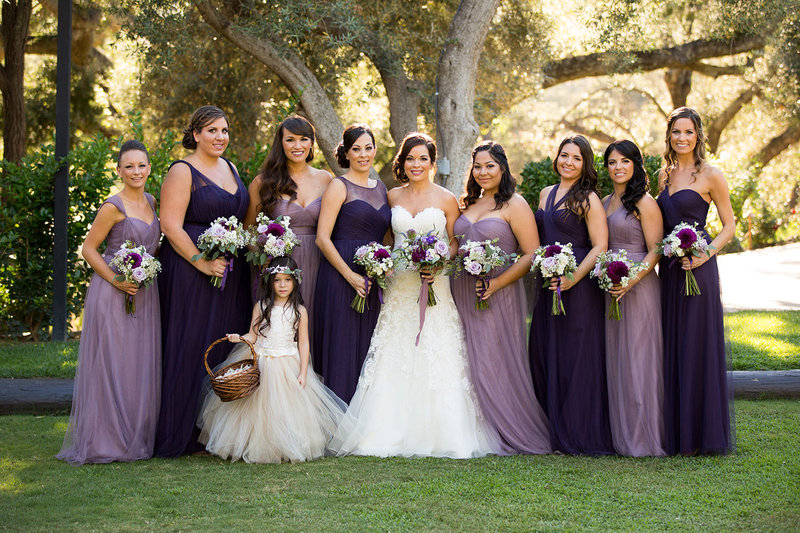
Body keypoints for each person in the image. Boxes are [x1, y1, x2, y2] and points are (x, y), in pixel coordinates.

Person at [329, 132, 498, 458]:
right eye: (410, 158)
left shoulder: (447, 198)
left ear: (433, 164)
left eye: (423, 158)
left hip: (436, 284)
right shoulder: (391, 197)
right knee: (397, 351)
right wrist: (382, 264)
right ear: (402, 163)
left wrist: (439, 261)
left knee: (436, 350)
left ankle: (442, 433)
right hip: (401, 287)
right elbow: (390, 240)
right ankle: (386, 430)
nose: (416, 164)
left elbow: (455, 241)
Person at [154, 105, 252, 457]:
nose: (220, 137)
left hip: (229, 272)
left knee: (222, 346)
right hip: (191, 272)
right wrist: (201, 261)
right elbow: (170, 225)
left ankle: (212, 433)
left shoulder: (231, 167)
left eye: (224, 131)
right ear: (195, 134)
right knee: (190, 346)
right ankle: (178, 433)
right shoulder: (183, 171)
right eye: (212, 131)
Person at [57, 140, 161, 465]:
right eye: (128, 166)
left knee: (138, 364)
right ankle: (107, 439)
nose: (136, 172)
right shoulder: (112, 207)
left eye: (141, 165)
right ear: (119, 170)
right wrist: (116, 279)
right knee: (114, 363)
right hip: (113, 292)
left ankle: (136, 434)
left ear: (149, 167)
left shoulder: (152, 201)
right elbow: (89, 249)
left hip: (144, 293)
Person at [450, 141, 551, 456]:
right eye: (477, 166)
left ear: (503, 168)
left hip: (499, 292)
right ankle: (474, 428)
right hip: (463, 290)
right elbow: (455, 246)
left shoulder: (514, 204)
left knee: (495, 359)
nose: (483, 172)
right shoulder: (466, 205)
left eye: (489, 166)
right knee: (466, 358)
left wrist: (496, 283)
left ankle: (507, 426)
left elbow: (531, 253)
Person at [197, 257, 346, 463]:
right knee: (257, 410)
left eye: (287, 280)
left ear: (295, 282)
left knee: (286, 409)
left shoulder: (299, 311)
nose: (282, 285)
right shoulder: (261, 306)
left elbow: (303, 343)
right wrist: (239, 338)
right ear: (270, 282)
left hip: (287, 362)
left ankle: (285, 446)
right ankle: (255, 446)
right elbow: (253, 335)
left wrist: (303, 372)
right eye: (277, 280)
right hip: (262, 361)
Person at [528, 135, 615, 455]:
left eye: (576, 158)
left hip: (578, 288)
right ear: (557, 158)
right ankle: (553, 428)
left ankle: (579, 433)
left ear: (585, 164)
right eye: (564, 155)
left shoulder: (588, 198)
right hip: (547, 282)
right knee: (546, 352)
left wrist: (572, 278)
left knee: (577, 358)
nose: (568, 162)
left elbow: (600, 246)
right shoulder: (544, 194)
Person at [657, 107, 734, 455]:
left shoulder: (711, 175)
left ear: (698, 135)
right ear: (669, 135)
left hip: (699, 269)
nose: (682, 138)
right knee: (673, 341)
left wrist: (706, 253)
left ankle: (702, 435)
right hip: (670, 271)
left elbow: (729, 226)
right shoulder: (663, 176)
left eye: (688, 132)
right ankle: (676, 431)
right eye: (676, 132)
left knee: (697, 343)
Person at [313, 124, 392, 403]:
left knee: (369, 342)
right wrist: (350, 276)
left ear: (375, 151)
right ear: (346, 153)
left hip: (372, 276)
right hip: (340, 273)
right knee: (342, 343)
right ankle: (338, 416)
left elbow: (387, 237)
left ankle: (363, 414)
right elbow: (322, 238)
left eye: (368, 148)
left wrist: (383, 264)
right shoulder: (338, 186)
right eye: (356, 149)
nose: (363, 154)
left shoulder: (382, 188)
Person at [245, 116, 332, 364]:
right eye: (290, 139)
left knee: (314, 322)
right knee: (279, 329)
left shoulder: (326, 179)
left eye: (304, 139)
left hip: (318, 261)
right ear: (280, 143)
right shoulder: (263, 183)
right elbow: (249, 230)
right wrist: (265, 255)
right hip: (280, 266)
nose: (297, 145)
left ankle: (310, 382)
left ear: (312, 143)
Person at [602, 140, 665, 457]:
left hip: (638, 288)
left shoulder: (644, 202)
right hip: (611, 288)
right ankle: (623, 435)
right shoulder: (604, 201)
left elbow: (656, 250)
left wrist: (631, 280)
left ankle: (645, 437)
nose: (618, 168)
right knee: (619, 360)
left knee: (640, 360)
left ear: (636, 165)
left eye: (625, 161)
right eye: (612, 162)